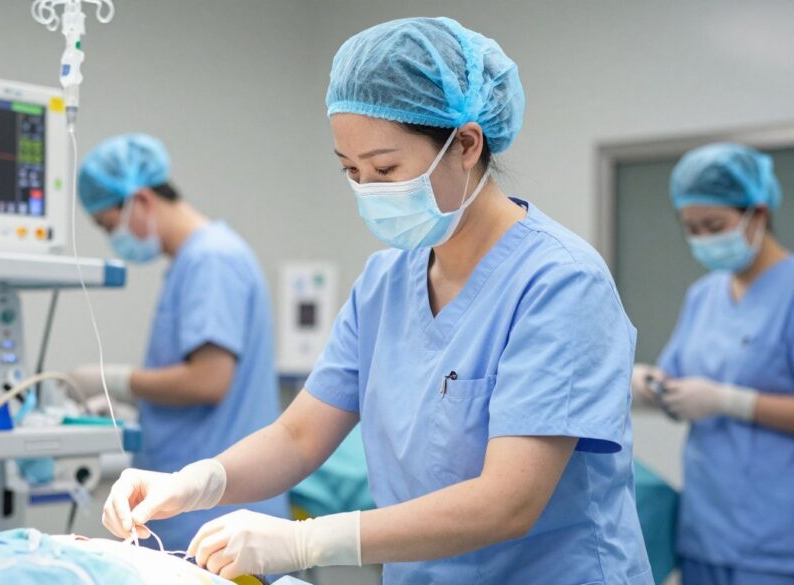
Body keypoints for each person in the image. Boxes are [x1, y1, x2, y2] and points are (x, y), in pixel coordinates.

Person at [101, 18, 654, 584]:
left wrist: (305, 539)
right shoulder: (385, 282)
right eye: (352, 172)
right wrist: (194, 483)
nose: (370, 191)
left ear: (466, 144)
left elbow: (507, 501)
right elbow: (298, 436)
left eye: (386, 169)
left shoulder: (560, 282)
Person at [71, 133, 288, 552]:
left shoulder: (212, 260)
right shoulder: (196, 260)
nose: (112, 238)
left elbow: (209, 381)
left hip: (213, 520)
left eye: (110, 225)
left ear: (142, 200)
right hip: (196, 515)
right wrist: (138, 405)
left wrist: (116, 381)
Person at [632, 143, 794, 585]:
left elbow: (719, 396)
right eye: (692, 228)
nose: (704, 239)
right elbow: (678, 376)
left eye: (715, 225)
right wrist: (651, 385)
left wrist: (730, 401)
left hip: (777, 540)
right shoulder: (703, 295)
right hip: (706, 530)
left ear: (757, 214)